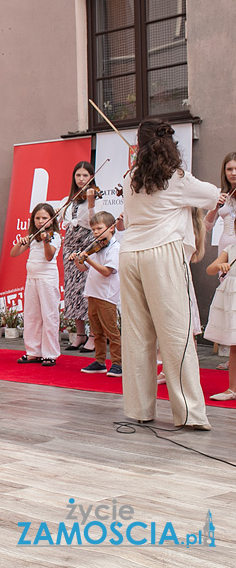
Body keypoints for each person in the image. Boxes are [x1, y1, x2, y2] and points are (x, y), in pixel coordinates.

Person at [120, 119, 220, 430]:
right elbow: (213, 195)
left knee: (137, 337)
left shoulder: (130, 178)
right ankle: (189, 413)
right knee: (177, 334)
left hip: (130, 253)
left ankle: (139, 409)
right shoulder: (176, 177)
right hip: (161, 254)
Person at [10, 204, 61, 365]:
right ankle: (33, 351)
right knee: (32, 316)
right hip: (31, 279)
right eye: (37, 218)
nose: (40, 221)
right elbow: (14, 253)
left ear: (51, 220)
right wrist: (21, 242)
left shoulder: (55, 237)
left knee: (49, 316)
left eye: (44, 218)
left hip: (47, 279)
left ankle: (50, 354)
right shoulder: (32, 236)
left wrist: (46, 241)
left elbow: (49, 257)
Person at [73, 212, 122, 376]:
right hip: (92, 293)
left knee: (111, 331)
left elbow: (107, 271)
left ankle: (118, 363)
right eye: (93, 229)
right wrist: (77, 260)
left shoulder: (114, 248)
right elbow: (83, 268)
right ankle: (100, 362)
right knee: (96, 331)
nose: (95, 232)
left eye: (99, 228)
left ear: (111, 228)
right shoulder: (96, 246)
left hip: (106, 295)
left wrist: (88, 260)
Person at [204, 151, 236, 372]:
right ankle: (231, 354)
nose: (233, 173)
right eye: (229, 169)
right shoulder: (221, 194)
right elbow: (206, 226)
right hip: (225, 249)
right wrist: (215, 206)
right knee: (228, 304)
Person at [62, 161, 99, 351]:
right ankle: (80, 335)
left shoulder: (95, 199)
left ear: (91, 177)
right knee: (72, 292)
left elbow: (95, 224)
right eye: (78, 175)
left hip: (87, 248)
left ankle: (93, 336)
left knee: (87, 293)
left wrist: (91, 204)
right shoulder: (69, 200)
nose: (81, 179)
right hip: (69, 249)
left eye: (85, 175)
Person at [204, 243, 236, 401]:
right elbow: (210, 269)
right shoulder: (231, 248)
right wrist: (220, 265)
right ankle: (232, 389)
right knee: (234, 344)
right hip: (232, 296)